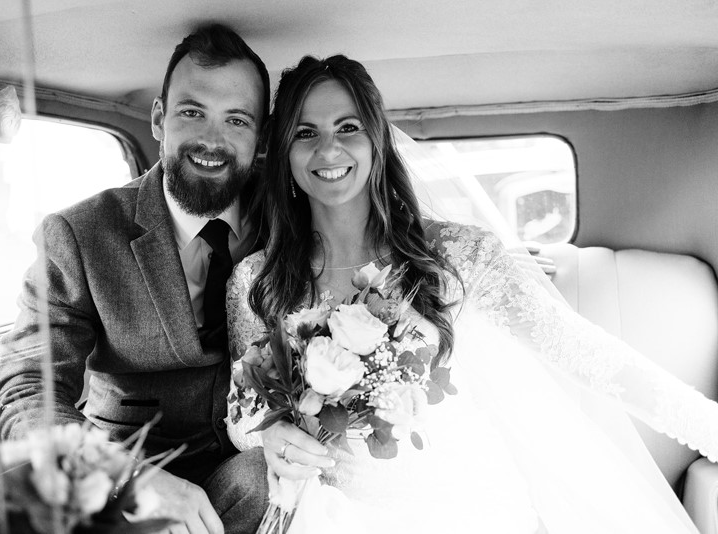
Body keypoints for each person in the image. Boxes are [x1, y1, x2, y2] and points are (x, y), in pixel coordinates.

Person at [225, 55, 718, 533]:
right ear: (284, 151)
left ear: (377, 139)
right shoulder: (257, 280)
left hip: (462, 505)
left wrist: (709, 427)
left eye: (347, 127)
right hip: (331, 511)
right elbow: (242, 410)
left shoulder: (459, 256)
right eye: (306, 133)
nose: (327, 149)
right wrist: (270, 434)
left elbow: (587, 353)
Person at [0, 24, 270, 534]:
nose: (212, 139)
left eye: (237, 120)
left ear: (261, 138)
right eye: (192, 112)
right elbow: (25, 391)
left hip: (252, 472)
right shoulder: (78, 236)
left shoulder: (289, 224)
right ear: (159, 118)